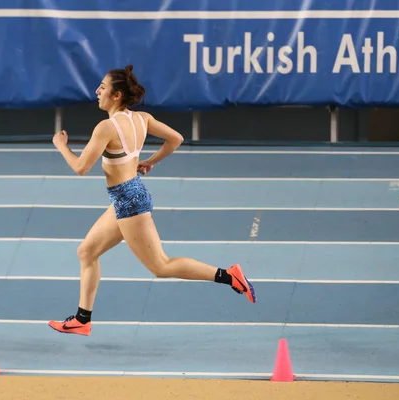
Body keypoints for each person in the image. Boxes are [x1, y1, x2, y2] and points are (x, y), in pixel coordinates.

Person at [49, 65, 256, 336]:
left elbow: (81, 168)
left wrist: (61, 146)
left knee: (161, 266)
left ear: (117, 95)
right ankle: (82, 319)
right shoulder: (142, 119)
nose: (97, 91)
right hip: (128, 195)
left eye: (103, 86)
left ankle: (230, 276)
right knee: (86, 252)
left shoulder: (106, 128)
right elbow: (176, 139)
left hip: (130, 203)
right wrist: (150, 162)